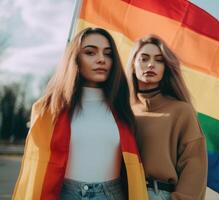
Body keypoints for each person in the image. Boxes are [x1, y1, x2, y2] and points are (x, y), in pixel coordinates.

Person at [13, 27, 148, 200]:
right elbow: (35, 169)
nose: (101, 59)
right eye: (90, 52)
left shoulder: (123, 109)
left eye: (108, 54)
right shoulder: (48, 109)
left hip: (111, 195)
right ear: (75, 58)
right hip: (63, 193)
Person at [127, 35, 208, 200]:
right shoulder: (122, 111)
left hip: (160, 194)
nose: (150, 64)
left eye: (159, 60)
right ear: (133, 65)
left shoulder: (181, 111)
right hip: (122, 193)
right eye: (144, 58)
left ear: (166, 68)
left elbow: (194, 165)